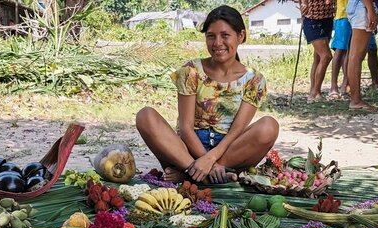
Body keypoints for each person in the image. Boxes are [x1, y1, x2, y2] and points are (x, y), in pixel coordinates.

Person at [135, 5, 279, 185]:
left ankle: (194, 175)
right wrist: (202, 161)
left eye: (225, 35)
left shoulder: (254, 80)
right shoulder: (191, 71)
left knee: (269, 126)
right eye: (211, 36)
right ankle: (200, 172)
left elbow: (237, 130)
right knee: (145, 116)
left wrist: (211, 159)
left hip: (228, 151)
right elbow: (186, 128)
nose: (217, 43)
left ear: (241, 36)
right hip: (187, 151)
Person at [299, 0, 336, 102]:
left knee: (318, 58)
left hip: (327, 16)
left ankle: (315, 91)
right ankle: (314, 93)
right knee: (326, 56)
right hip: (313, 18)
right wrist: (304, 2)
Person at [345, 0, 378, 109]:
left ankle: (356, 98)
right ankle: (355, 100)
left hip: (359, 6)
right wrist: (370, 9)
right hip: (362, 6)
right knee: (356, 56)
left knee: (356, 56)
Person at [328, 0, 350, 99]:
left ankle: (346, 84)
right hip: (343, 16)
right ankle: (333, 86)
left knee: (348, 52)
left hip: (352, 16)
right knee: (340, 50)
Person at [361, 0, 378, 91]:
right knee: (357, 53)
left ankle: (375, 82)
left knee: (372, 49)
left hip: (370, 12)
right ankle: (348, 85)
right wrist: (371, 11)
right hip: (363, 12)